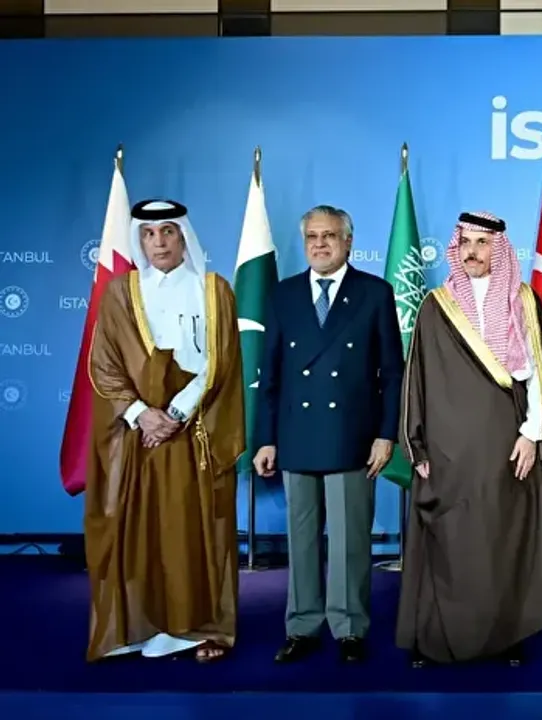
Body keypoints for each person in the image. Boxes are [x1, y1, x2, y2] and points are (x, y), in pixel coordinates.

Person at [396, 211, 542, 667]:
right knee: (448, 541)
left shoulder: (523, 299)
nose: (472, 251)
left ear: (499, 248)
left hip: (505, 446)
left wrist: (531, 433)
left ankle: (504, 635)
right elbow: (417, 380)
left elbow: (538, 375)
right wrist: (416, 444)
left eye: (482, 242)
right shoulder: (437, 305)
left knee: (501, 541)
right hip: (446, 450)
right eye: (465, 242)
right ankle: (436, 638)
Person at [83, 199, 244, 663]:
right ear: (139, 240)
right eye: (149, 234)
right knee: (137, 531)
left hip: (194, 433)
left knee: (189, 530)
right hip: (137, 436)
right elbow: (106, 364)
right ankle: (139, 625)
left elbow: (221, 360)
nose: (159, 243)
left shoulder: (213, 290)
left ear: (183, 236)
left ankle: (194, 626)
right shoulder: (121, 292)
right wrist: (141, 414)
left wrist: (175, 412)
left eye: (168, 232)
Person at [252, 205, 404, 664]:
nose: (320, 244)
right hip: (296, 434)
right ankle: (302, 626)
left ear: (348, 241)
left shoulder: (374, 292)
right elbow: (269, 373)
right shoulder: (283, 294)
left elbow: (392, 373)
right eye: (312, 237)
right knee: (301, 539)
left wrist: (386, 434)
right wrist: (265, 438)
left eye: (330, 236)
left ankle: (350, 627)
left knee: (350, 540)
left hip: (353, 435)